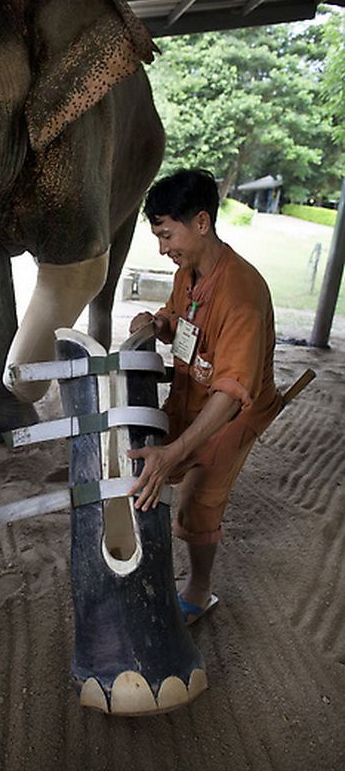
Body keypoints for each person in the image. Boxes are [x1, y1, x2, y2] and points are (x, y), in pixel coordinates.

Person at [127, 168, 282, 625]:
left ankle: (199, 589)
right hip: (193, 391)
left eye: (166, 234)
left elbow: (232, 396)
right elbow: (179, 320)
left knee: (197, 496)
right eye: (157, 236)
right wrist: (155, 324)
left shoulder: (242, 296)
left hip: (235, 409)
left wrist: (177, 450)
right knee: (150, 460)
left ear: (200, 222)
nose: (162, 248)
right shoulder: (188, 272)